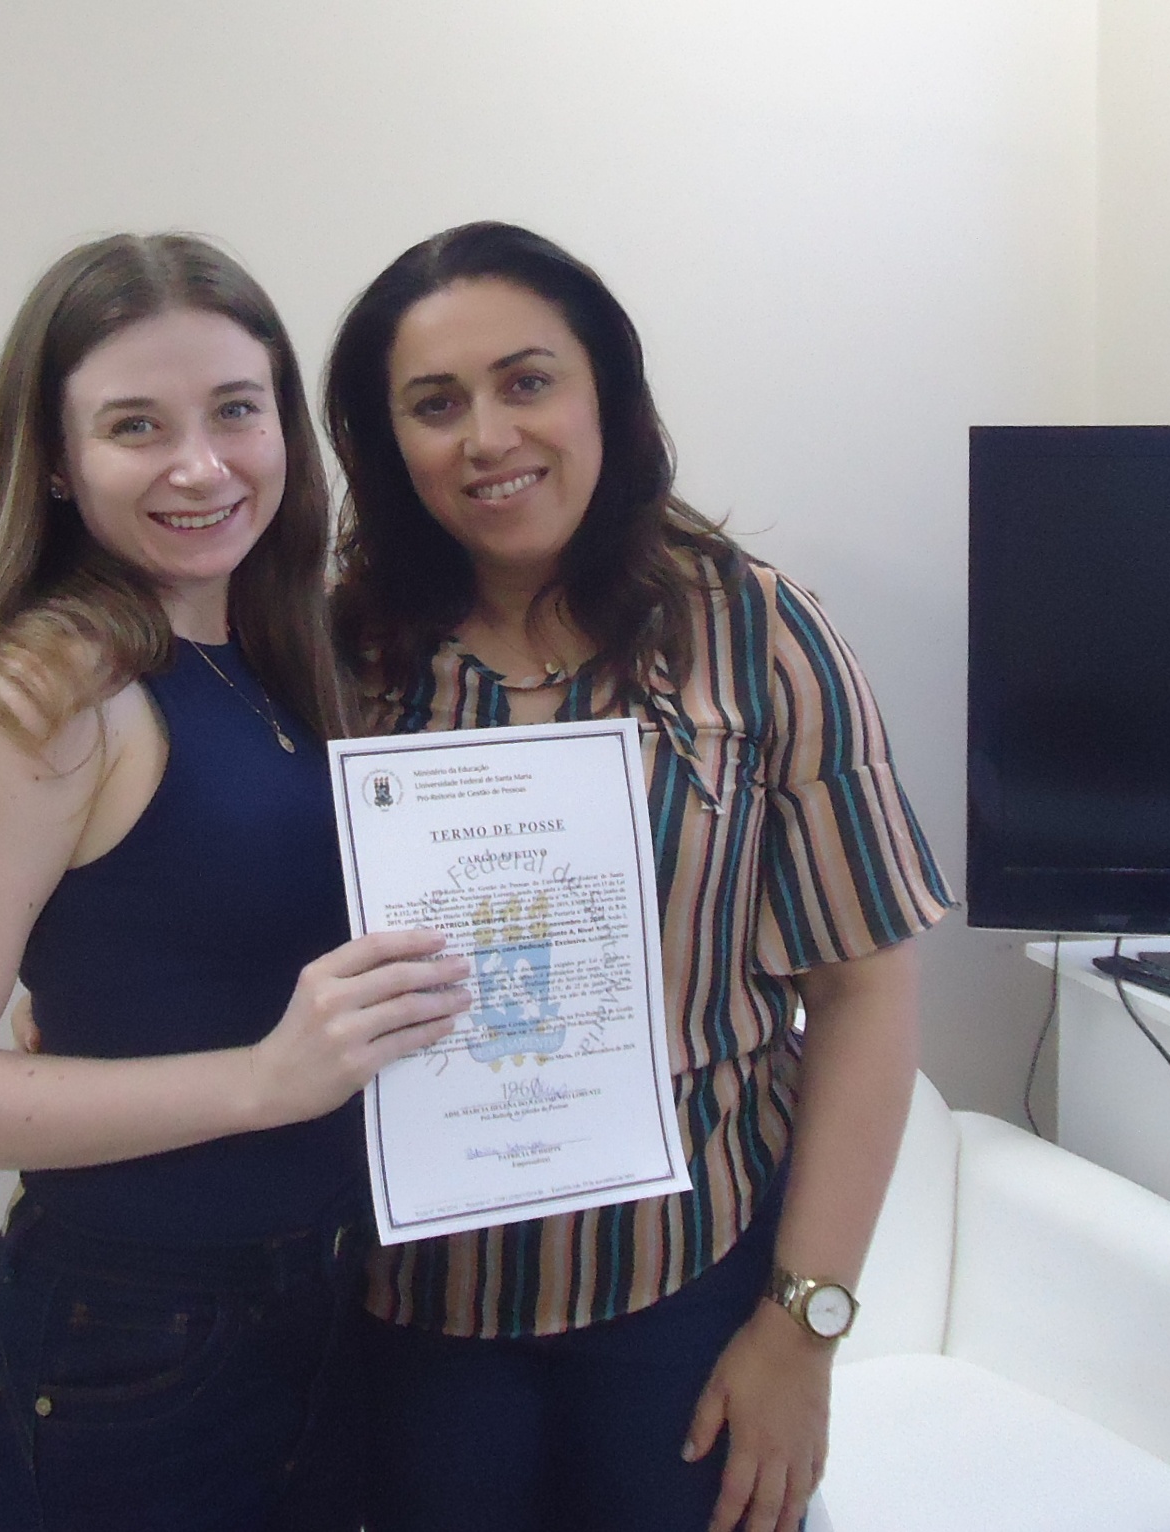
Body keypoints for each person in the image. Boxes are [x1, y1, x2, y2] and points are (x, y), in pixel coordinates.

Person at [323, 222, 954, 1532]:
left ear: (605, 392)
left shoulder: (756, 632)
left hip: (692, 1294)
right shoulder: (335, 656)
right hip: (408, 1317)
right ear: (387, 445)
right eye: (434, 405)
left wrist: (803, 1330)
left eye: (527, 381)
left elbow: (862, 994)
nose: (487, 436)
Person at [0, 233, 471, 1532]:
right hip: (131, 1348)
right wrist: (264, 1079)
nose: (201, 465)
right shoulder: (54, 686)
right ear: (57, 461)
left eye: (236, 410)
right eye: (137, 425)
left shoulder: (282, 656)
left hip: (319, 1314)